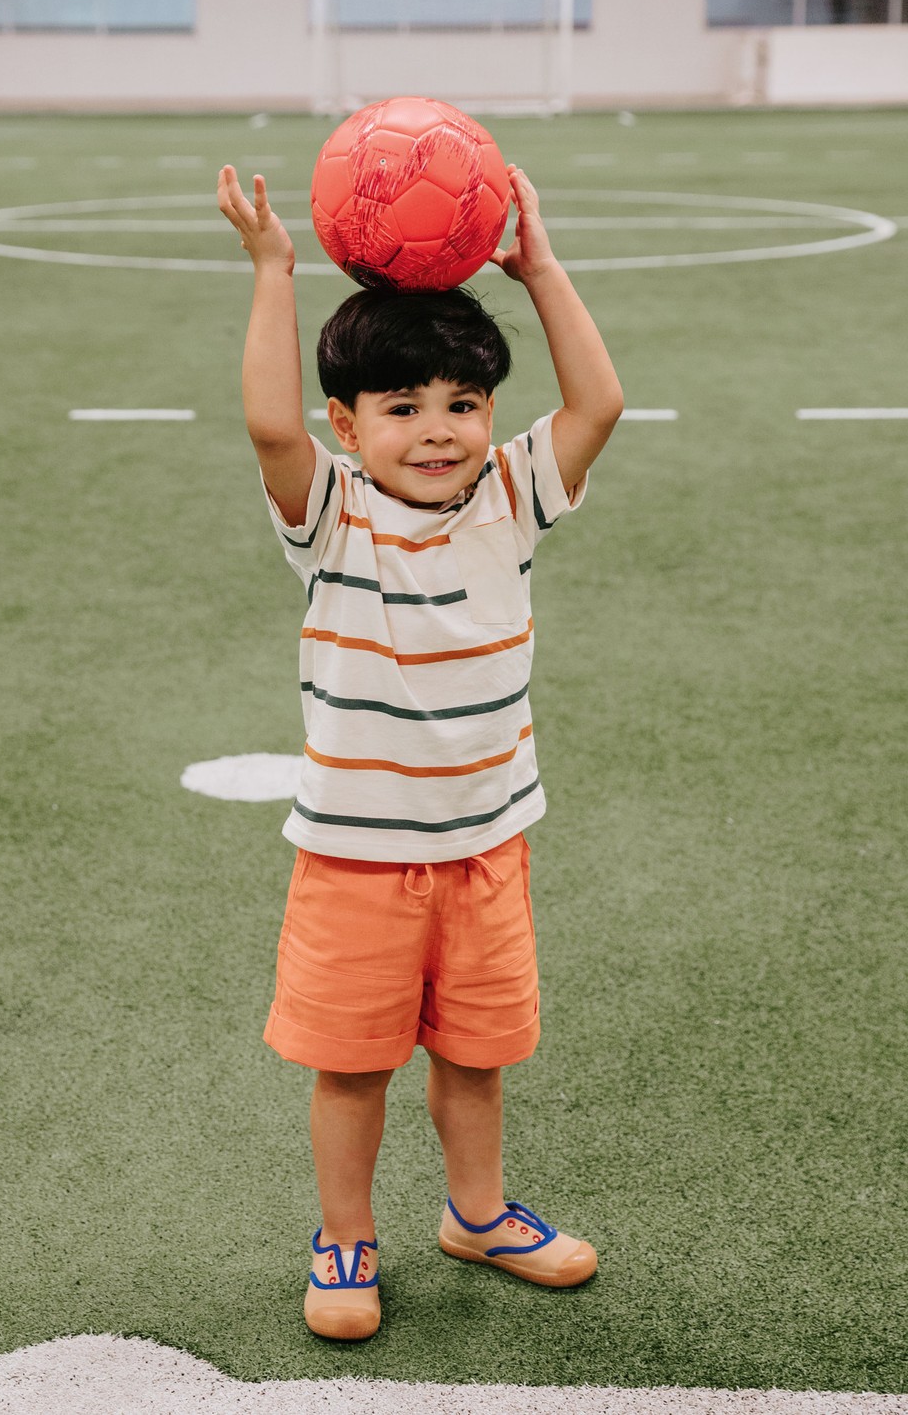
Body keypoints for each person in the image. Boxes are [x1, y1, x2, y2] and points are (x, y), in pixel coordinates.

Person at [217, 160, 624, 1342]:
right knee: (351, 1068)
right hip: (354, 863)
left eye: (460, 403)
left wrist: (538, 270)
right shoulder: (332, 511)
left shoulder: (511, 494)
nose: (437, 431)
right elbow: (264, 420)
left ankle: (478, 1213)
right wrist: (273, 275)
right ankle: (345, 1241)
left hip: (489, 852)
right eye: (402, 409)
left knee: (478, 1054)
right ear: (349, 426)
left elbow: (596, 406)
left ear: (490, 416)